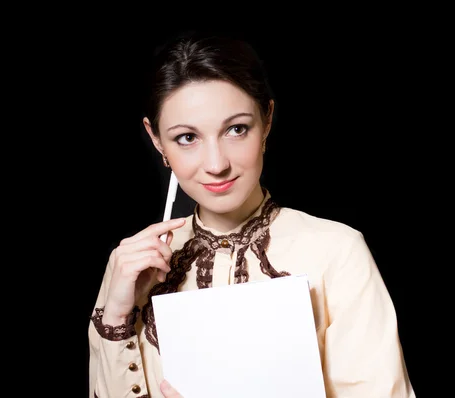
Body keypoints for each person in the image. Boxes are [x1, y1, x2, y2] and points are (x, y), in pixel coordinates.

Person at [88, 30, 416, 398]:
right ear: (156, 140)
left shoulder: (336, 252)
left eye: (236, 129)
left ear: (267, 122)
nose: (216, 164)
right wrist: (115, 316)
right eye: (187, 137)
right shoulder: (131, 265)